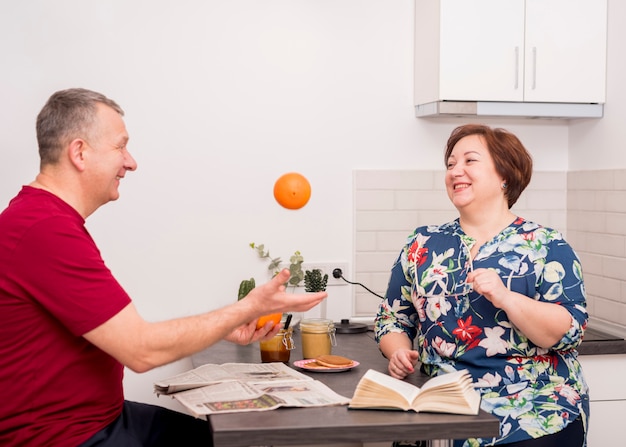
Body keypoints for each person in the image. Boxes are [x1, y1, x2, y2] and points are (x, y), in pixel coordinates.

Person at [0, 88, 328, 446]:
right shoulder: (44, 230)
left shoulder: (45, 220)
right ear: (79, 152)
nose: (130, 162)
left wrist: (225, 323)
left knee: (232, 439)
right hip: (64, 437)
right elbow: (141, 350)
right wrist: (249, 307)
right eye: (120, 146)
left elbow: (122, 332)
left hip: (101, 418)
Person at [375, 124, 589, 446]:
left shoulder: (546, 245)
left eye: (469, 161)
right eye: (450, 164)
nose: (455, 171)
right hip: (445, 410)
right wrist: (399, 351)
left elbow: (567, 332)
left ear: (505, 174)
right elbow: (393, 318)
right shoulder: (422, 243)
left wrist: (506, 297)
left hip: (536, 414)